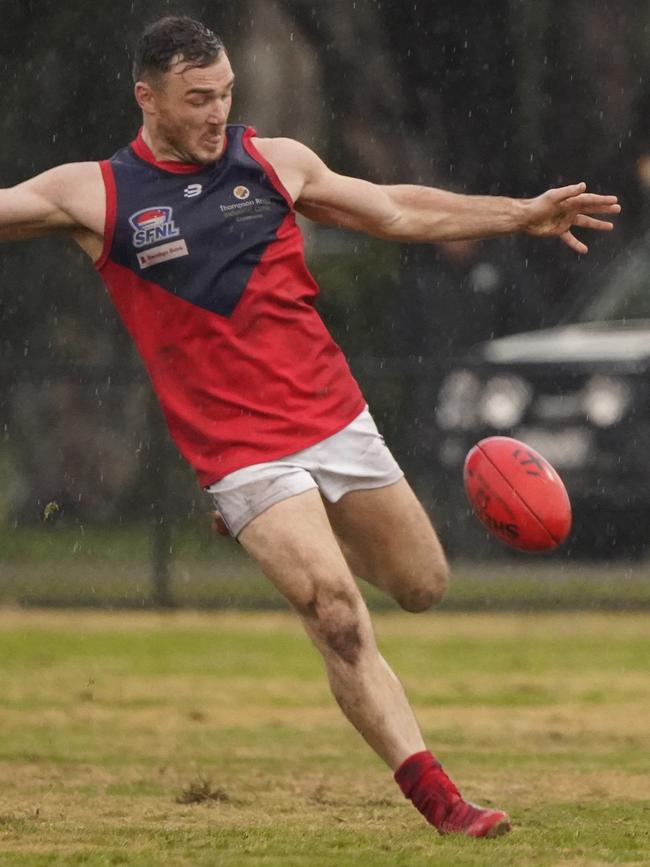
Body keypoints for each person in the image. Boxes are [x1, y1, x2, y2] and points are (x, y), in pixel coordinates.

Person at [0, 16, 620, 839]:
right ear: (146, 98)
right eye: (197, 100)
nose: (217, 112)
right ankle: (444, 803)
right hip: (238, 451)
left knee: (422, 586)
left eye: (224, 93)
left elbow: (395, 209)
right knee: (334, 611)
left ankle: (290, 531)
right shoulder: (94, 193)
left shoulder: (273, 162)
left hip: (334, 417)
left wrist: (519, 213)